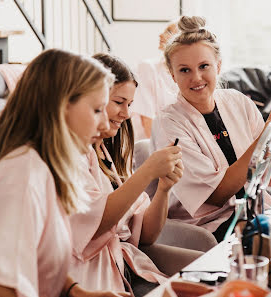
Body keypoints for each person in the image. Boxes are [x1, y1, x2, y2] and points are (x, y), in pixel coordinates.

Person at [0, 49, 121, 297]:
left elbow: (37, 257)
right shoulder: (22, 175)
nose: (105, 125)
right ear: (60, 106)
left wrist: (75, 292)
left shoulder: (41, 167)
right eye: (97, 110)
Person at [151, 16, 271, 242]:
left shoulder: (238, 102)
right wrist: (264, 138)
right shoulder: (169, 124)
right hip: (208, 228)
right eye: (184, 70)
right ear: (172, 75)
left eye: (204, 66)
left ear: (219, 66)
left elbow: (265, 178)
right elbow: (217, 195)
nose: (196, 78)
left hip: (253, 212)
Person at [69, 54, 188, 297]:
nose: (125, 114)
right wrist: (146, 172)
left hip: (125, 264)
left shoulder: (103, 152)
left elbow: (147, 234)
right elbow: (97, 223)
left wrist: (164, 189)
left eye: (130, 105)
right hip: (94, 275)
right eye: (118, 102)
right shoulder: (72, 156)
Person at [131, 21, 179, 140]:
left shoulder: (183, 74)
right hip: (149, 145)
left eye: (169, 31)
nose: (160, 35)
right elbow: (147, 119)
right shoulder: (147, 67)